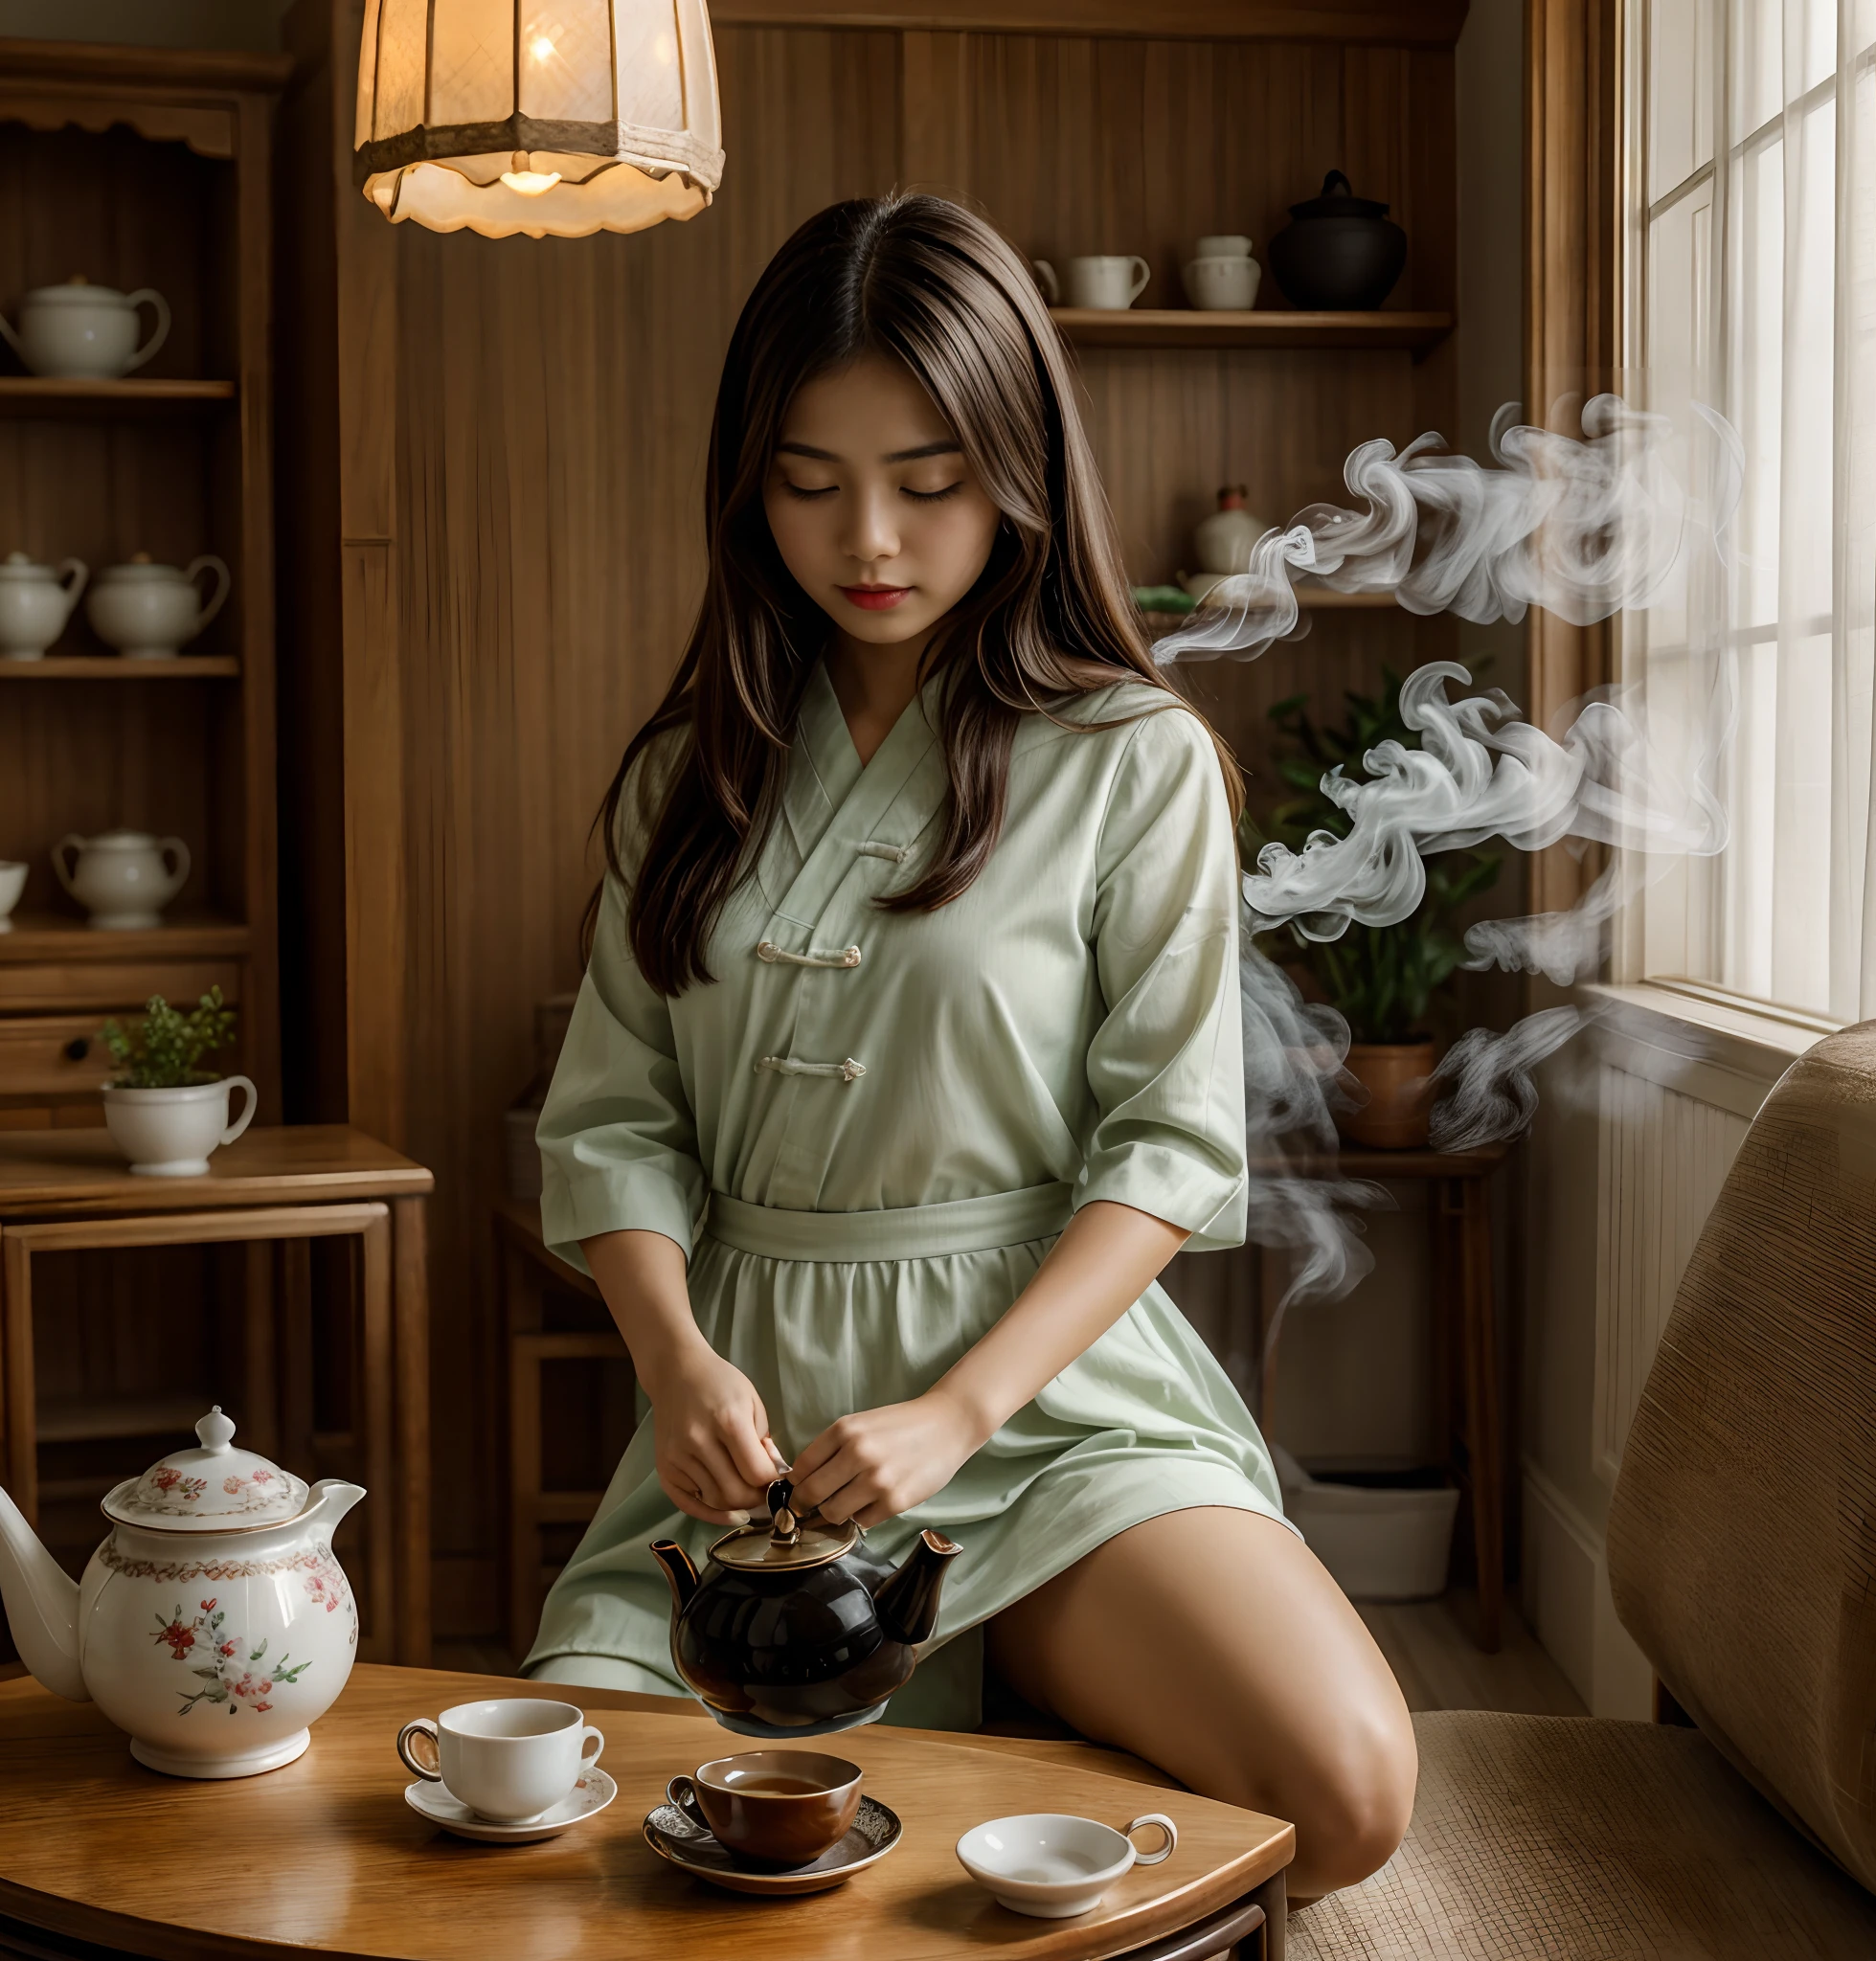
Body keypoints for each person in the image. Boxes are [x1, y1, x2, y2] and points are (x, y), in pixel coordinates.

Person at [525, 192, 1416, 1900]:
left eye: (929, 481)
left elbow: (1165, 1149)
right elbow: (614, 1120)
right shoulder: (683, 779)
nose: (870, 535)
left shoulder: (1131, 756)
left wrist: (957, 1410)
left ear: (1015, 465)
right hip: (757, 1425)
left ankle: (1019, 1714)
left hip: (1052, 1402)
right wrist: (674, 1365)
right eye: (810, 479)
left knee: (1351, 1793)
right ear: (748, 484)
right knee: (593, 1870)